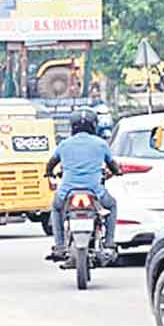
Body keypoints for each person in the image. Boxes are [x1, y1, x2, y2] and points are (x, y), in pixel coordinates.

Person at [45, 109, 120, 262]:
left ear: (72, 126)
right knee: (112, 206)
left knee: (56, 208)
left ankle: (59, 245)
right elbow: (112, 165)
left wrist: (49, 173)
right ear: (94, 125)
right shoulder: (101, 144)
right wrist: (117, 172)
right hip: (95, 191)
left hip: (66, 192)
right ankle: (109, 243)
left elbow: (51, 164)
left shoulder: (64, 144)